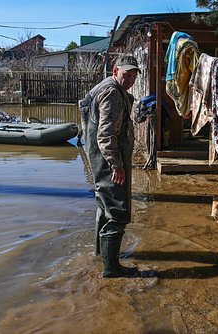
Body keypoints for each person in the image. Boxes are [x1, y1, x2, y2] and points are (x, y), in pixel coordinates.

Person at [79, 55, 141, 278]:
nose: (131, 78)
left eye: (134, 75)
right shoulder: (112, 93)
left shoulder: (104, 87)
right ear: (116, 71)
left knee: (104, 206)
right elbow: (105, 135)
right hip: (108, 160)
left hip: (99, 160)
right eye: (127, 74)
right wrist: (117, 165)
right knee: (117, 212)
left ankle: (100, 254)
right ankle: (111, 268)